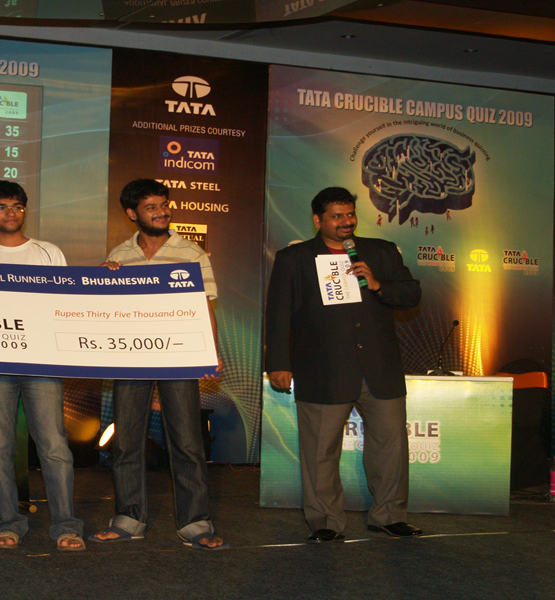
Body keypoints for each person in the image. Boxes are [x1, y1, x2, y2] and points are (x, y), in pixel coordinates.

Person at [264, 186, 422, 543]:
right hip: (323, 368)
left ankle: (389, 515)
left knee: (391, 449)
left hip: (379, 369)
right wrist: (278, 362)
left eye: (350, 214)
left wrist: (378, 284)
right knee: (320, 451)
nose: (346, 221)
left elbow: (411, 294)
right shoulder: (295, 258)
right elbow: (278, 314)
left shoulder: (381, 251)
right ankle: (325, 521)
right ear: (317, 220)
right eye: (337, 216)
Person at [89, 178, 228, 550]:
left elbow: (205, 305)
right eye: (151, 207)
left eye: (165, 205)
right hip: (130, 358)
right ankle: (129, 517)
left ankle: (195, 522)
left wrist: (210, 351)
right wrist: (103, 280)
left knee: (187, 441)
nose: (162, 212)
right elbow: (106, 308)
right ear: (132, 213)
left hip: (178, 357)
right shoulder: (119, 254)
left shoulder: (191, 252)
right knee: (126, 441)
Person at [0, 180, 85, 552]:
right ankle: (7, 523)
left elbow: (66, 303)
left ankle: (66, 525)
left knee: (54, 446)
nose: (10, 212)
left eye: (17, 206)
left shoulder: (48, 252)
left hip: (42, 362)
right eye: (1, 207)